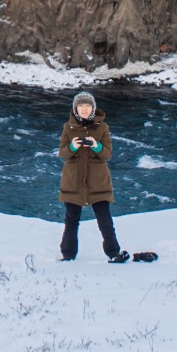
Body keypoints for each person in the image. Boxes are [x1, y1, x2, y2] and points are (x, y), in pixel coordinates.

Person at [58, 91, 128, 263]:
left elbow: (107, 155)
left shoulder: (102, 128)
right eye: (81, 106)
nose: (84, 109)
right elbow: (63, 154)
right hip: (73, 181)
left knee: (105, 220)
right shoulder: (68, 128)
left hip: (98, 182)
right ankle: (67, 255)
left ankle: (113, 253)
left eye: (87, 106)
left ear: (93, 108)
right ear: (75, 109)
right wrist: (73, 146)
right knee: (71, 220)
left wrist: (96, 146)